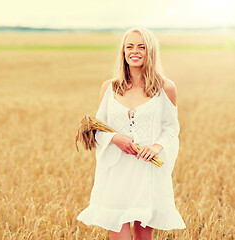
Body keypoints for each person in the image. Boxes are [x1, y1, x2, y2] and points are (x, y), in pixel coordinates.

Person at [77, 27, 186, 240]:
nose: (134, 51)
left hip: (147, 172)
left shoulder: (165, 88)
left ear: (150, 51)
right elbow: (99, 129)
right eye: (129, 46)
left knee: (143, 238)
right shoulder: (109, 87)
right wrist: (115, 138)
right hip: (116, 173)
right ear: (123, 52)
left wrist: (156, 147)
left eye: (141, 46)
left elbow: (172, 129)